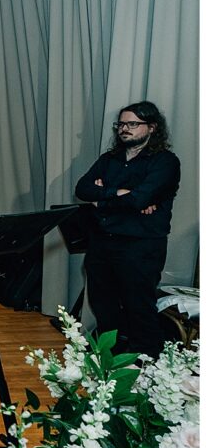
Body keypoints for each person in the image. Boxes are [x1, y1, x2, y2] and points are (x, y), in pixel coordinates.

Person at [75, 101, 180, 358]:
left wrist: (102, 199)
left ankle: (145, 363)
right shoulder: (109, 159)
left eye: (133, 124)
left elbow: (139, 199)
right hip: (102, 243)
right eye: (121, 124)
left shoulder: (165, 162)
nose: (125, 129)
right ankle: (109, 360)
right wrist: (116, 193)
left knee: (139, 307)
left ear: (152, 127)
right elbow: (82, 189)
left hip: (140, 246)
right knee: (103, 305)